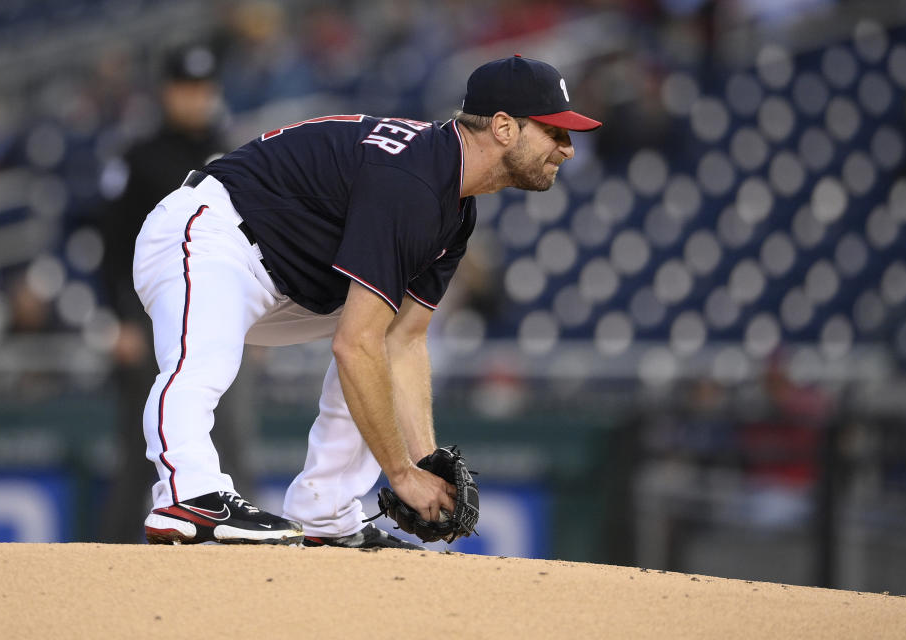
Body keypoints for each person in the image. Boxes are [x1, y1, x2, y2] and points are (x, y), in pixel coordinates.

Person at [134, 55, 601, 548]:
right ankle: (188, 492)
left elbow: (404, 340)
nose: (567, 150)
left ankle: (324, 510)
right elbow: (353, 345)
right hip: (210, 233)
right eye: (555, 132)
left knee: (379, 330)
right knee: (207, 361)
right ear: (505, 127)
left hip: (284, 277)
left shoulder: (454, 206)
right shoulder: (416, 181)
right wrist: (400, 473)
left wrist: (424, 462)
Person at [97, 44, 257, 543]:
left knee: (232, 437)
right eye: (186, 88)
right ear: (166, 92)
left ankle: (243, 540)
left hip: (218, 313)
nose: (196, 99)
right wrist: (118, 317)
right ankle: (117, 552)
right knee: (143, 441)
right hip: (149, 316)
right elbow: (113, 242)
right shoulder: (139, 158)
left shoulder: (232, 151)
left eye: (204, 89)